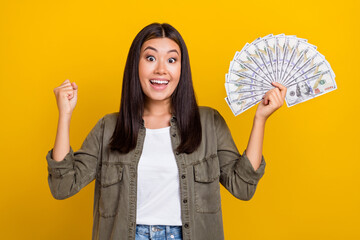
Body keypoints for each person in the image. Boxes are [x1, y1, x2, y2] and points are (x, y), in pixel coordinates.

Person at [46, 23, 287, 240]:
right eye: (150, 58)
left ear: (182, 69)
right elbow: (63, 186)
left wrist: (260, 119)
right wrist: (65, 115)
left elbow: (243, 187)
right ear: (135, 66)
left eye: (171, 60)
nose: (161, 69)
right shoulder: (109, 127)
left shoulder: (209, 122)